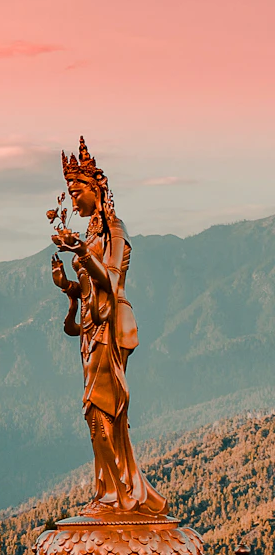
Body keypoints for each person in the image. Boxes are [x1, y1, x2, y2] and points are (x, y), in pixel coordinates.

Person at [49, 137, 165, 515]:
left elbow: (112, 284)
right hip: (90, 329)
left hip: (112, 324)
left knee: (98, 408)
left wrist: (81, 251)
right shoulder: (90, 234)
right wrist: (67, 285)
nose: (73, 199)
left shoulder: (114, 229)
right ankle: (109, 490)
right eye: (70, 192)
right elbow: (83, 302)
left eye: (77, 190)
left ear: (96, 189)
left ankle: (120, 494)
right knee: (100, 412)